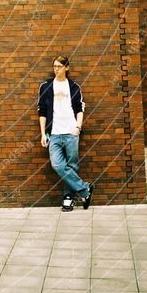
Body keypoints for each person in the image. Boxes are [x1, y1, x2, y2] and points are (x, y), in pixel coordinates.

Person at [38, 55, 94, 211]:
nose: (56, 69)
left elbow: (79, 109)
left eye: (59, 66)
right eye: (54, 66)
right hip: (54, 133)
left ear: (66, 67)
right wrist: (43, 133)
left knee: (71, 166)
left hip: (71, 132)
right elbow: (41, 111)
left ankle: (68, 198)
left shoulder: (74, 87)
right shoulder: (46, 87)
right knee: (57, 164)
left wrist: (78, 127)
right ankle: (84, 189)